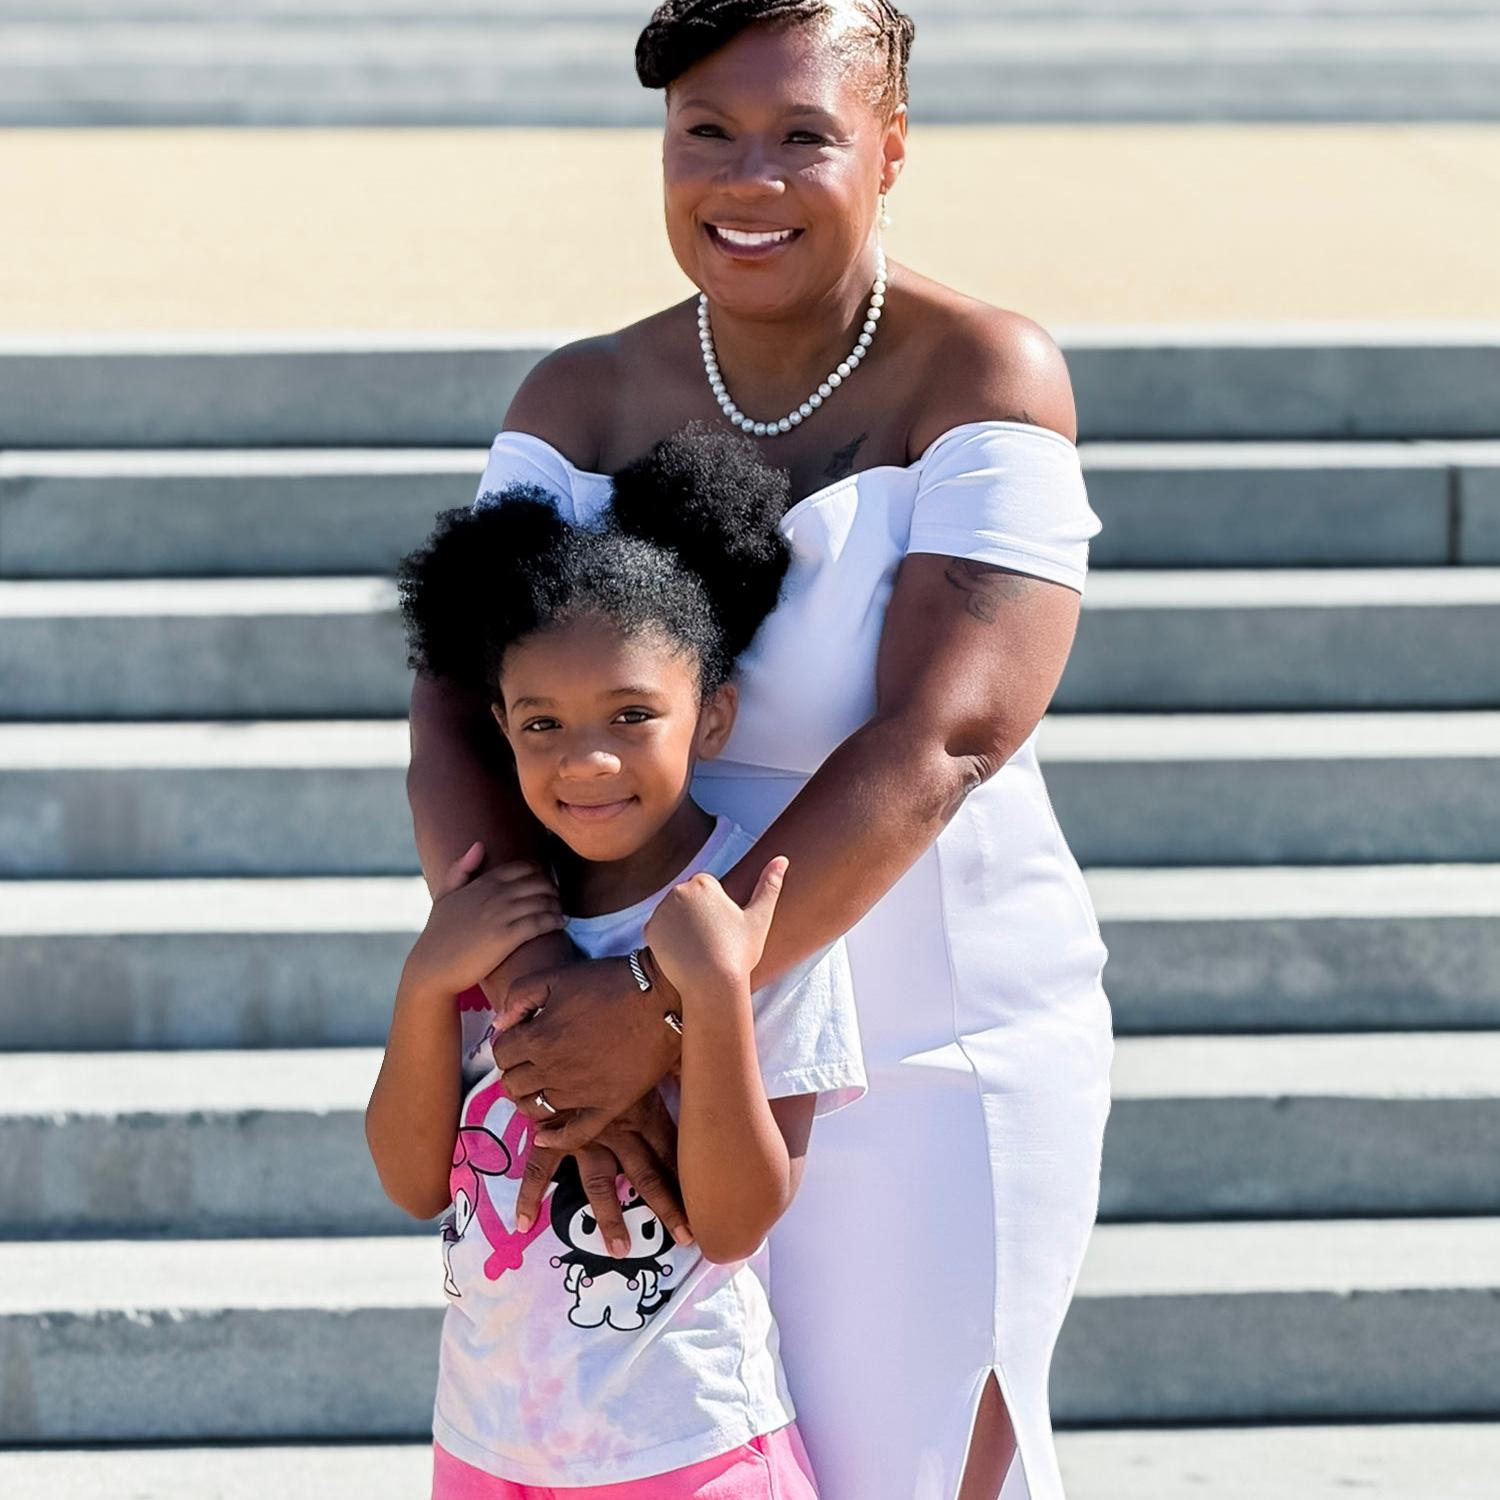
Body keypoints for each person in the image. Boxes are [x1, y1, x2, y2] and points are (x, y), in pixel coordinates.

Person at [404, 3, 1115, 1497]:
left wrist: (662, 1004)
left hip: (926, 1041)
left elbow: (951, 731)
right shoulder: (577, 396)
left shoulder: (983, 372)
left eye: (806, 134)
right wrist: (549, 1004)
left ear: (894, 145)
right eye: (706, 134)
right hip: (639, 1039)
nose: (749, 177)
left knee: (909, 1470)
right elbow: (458, 701)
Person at [368, 427, 866, 1498]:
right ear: (500, 728)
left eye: (632, 716)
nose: (585, 759)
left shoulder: (750, 914)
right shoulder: (492, 918)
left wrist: (716, 993)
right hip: (488, 1442)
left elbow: (735, 1221)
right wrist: (424, 984)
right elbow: (415, 1181)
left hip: (686, 1450)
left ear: (712, 717)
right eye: (542, 723)